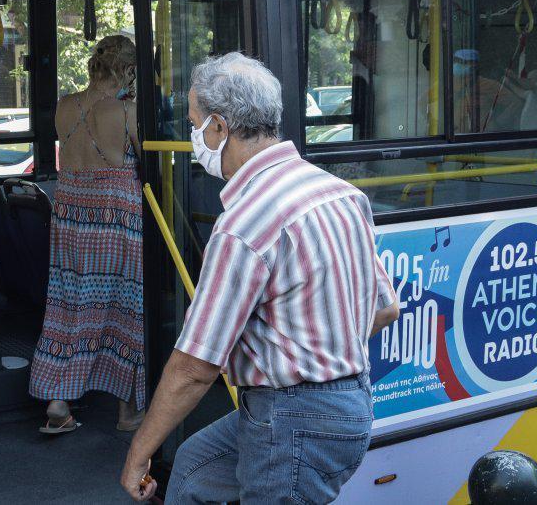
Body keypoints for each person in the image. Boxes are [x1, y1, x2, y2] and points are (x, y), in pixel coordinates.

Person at [119, 52, 400, 503]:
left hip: (293, 418)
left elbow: (194, 368)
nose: (192, 136)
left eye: (193, 124)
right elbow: (386, 309)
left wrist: (138, 453)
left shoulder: (243, 225)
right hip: (351, 406)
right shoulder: (342, 194)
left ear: (219, 127)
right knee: (193, 471)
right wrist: (319, 354)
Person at [31, 35, 145, 434]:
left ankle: (58, 401)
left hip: (70, 215)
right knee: (125, 307)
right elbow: (147, 158)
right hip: (115, 217)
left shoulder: (65, 105)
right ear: (128, 70)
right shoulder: (127, 109)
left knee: (69, 305)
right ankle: (128, 410)